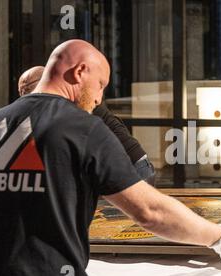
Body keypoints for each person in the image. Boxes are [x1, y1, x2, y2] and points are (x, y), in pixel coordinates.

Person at [0, 40, 221, 276]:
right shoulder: (83, 128)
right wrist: (220, 236)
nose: (98, 98)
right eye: (101, 85)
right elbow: (150, 212)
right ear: (80, 71)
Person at [17, 66, 156, 186]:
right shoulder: (56, 105)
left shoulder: (74, 99)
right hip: (120, 167)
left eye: (28, 88)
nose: (27, 96)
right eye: (22, 91)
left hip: (134, 168)